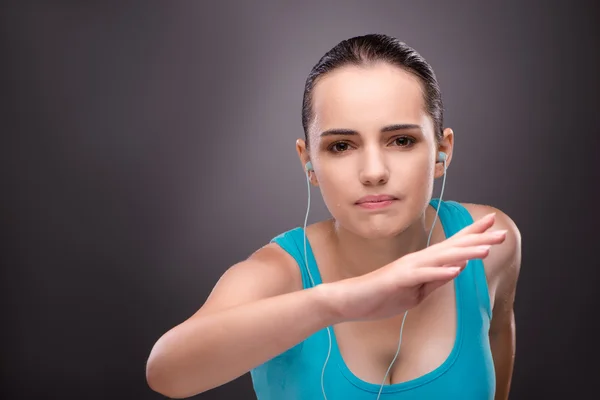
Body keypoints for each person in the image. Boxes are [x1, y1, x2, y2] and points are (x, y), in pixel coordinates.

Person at [145, 34, 521, 400]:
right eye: (341, 146)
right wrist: (340, 301)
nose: (373, 172)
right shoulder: (275, 274)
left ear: (443, 150)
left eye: (401, 140)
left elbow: (498, 342)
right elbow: (166, 372)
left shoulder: (490, 242)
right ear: (308, 162)